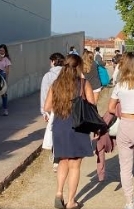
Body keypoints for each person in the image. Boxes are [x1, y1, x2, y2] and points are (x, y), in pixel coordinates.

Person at [44, 54, 94, 209]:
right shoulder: (83, 84)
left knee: (63, 161)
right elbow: (92, 105)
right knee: (75, 165)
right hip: (78, 126)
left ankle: (59, 193)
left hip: (59, 126)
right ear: (78, 67)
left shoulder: (56, 84)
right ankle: (71, 201)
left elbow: (46, 107)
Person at [108, 52, 134, 209]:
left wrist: (121, 111)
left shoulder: (120, 86)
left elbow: (111, 108)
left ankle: (128, 202)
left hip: (125, 124)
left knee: (125, 165)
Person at [40, 52, 66, 172]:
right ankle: (64, 155)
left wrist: (44, 111)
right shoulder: (68, 74)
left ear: (53, 61)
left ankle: (56, 158)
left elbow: (44, 94)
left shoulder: (48, 76)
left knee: (54, 132)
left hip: (53, 108)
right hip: (66, 107)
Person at [0, 44, 11, 116]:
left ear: (5, 51)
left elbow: (7, 70)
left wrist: (6, 80)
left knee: (4, 94)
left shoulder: (6, 59)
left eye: (3, 50)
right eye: (0, 50)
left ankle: (5, 109)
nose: (1, 51)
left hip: (2, 75)